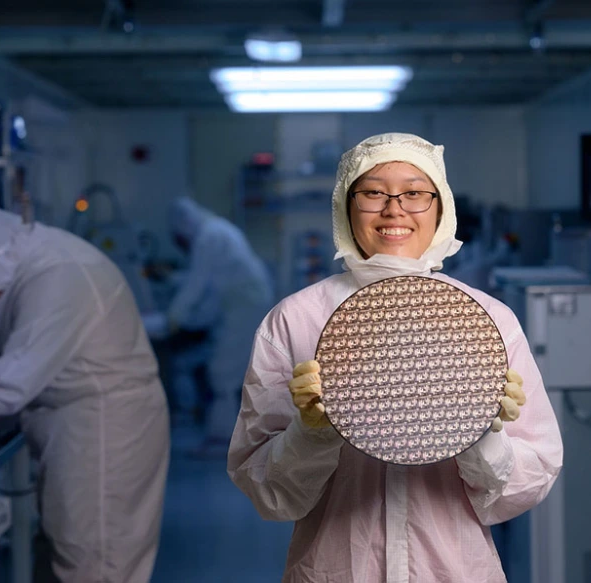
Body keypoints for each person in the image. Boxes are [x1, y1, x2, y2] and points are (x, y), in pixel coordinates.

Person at [227, 133, 563, 582]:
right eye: (372, 193)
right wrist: (309, 435)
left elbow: (529, 482)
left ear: (441, 207)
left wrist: (482, 436)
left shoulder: (489, 321)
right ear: (346, 207)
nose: (394, 209)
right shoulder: (294, 320)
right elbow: (266, 492)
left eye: (414, 193)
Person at [0, 197, 170, 583]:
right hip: (77, 424)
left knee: (95, 563)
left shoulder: (59, 275)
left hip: (104, 431)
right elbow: (29, 371)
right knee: (66, 553)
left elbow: (7, 387)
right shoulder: (32, 265)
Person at [165, 196, 274, 452]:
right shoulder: (218, 231)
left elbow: (197, 283)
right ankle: (226, 435)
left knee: (222, 371)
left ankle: (222, 438)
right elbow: (212, 289)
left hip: (245, 304)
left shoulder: (208, 237)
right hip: (246, 302)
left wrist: (175, 315)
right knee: (228, 369)